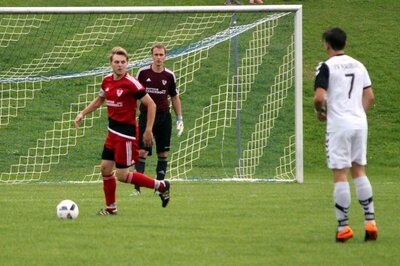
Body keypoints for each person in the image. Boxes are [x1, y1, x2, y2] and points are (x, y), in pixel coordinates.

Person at [74, 46, 171, 215]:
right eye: (117, 62)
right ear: (110, 64)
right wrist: (82, 113)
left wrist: (148, 130)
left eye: (123, 62)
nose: (120, 65)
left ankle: (161, 185)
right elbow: (99, 100)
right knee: (105, 168)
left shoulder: (132, 83)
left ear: (127, 64)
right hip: (112, 131)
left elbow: (151, 104)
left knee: (123, 175)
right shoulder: (107, 81)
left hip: (126, 134)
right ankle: (111, 208)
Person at [313, 27, 377, 242]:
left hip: (339, 125)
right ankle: (370, 223)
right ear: (346, 44)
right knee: (359, 170)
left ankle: (344, 228)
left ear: (326, 45)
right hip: (360, 123)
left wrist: (319, 112)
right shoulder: (360, 65)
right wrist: (357, 114)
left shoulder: (325, 67)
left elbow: (319, 98)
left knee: (340, 173)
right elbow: (369, 96)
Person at [131, 43, 183, 195]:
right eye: (156, 55)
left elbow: (174, 97)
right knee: (142, 152)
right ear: (151, 56)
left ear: (165, 57)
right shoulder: (142, 73)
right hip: (146, 116)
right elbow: (134, 94)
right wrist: (132, 113)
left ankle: (159, 188)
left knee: (163, 153)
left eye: (161, 55)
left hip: (163, 117)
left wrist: (179, 118)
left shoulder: (169, 75)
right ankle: (137, 189)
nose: (159, 57)